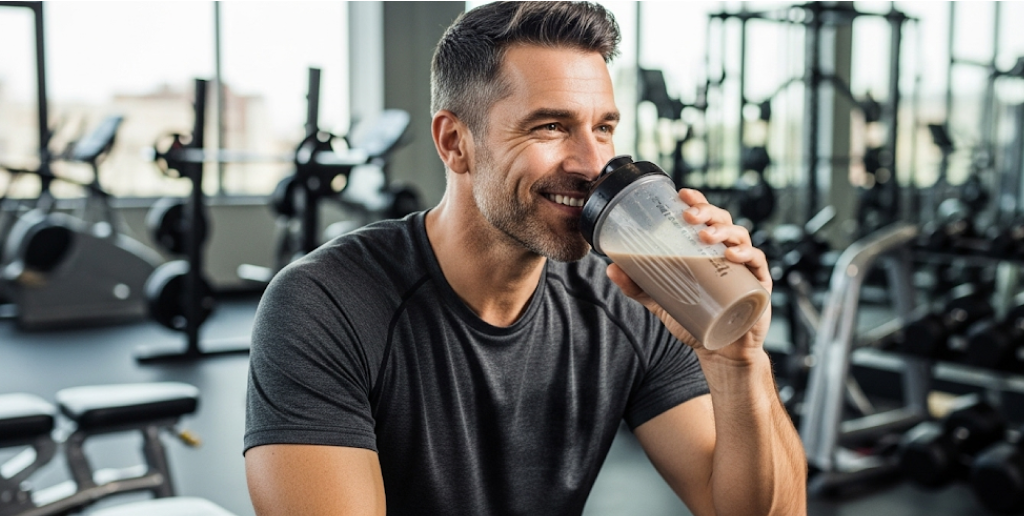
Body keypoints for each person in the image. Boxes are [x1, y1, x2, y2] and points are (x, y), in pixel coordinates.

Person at [243, 2, 807, 515]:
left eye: (604, 128)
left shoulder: (631, 296)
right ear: (454, 143)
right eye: (551, 127)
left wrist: (738, 363)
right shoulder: (323, 306)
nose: (592, 164)